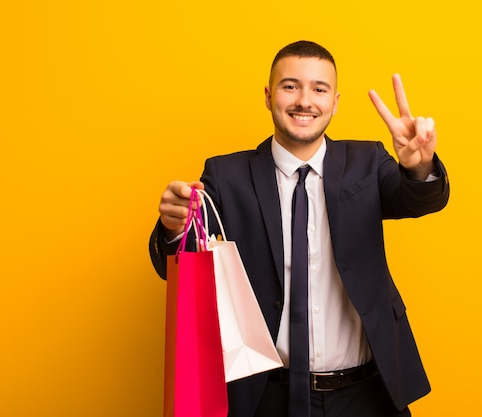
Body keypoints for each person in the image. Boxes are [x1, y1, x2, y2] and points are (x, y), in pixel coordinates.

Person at [150, 40, 450, 417]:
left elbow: (419, 199)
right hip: (265, 397)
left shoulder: (368, 162)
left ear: (335, 102)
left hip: (367, 395)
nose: (304, 100)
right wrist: (173, 228)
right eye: (290, 86)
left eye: (319, 89)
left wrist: (419, 168)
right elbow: (180, 269)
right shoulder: (227, 178)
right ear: (268, 95)